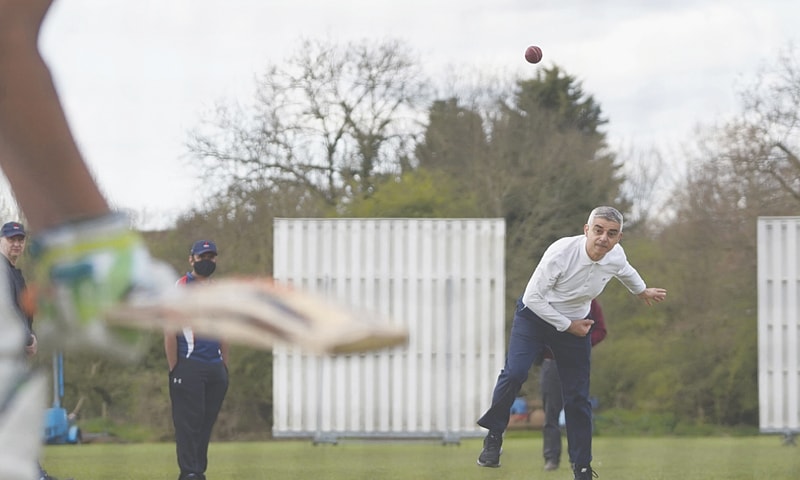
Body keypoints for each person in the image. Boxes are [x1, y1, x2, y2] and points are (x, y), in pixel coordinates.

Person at [476, 206, 667, 480]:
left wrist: (641, 290)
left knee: (578, 398)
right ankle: (494, 437)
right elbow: (533, 299)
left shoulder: (615, 255)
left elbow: (625, 270)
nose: (603, 238)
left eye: (611, 234)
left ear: (619, 237)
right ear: (586, 229)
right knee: (515, 372)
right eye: (598, 230)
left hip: (575, 325)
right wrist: (568, 325)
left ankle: (582, 469)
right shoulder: (560, 253)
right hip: (535, 317)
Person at [165, 240, 229, 480]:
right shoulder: (180, 288)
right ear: (191, 259)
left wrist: (224, 366)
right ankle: (189, 472)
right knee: (188, 424)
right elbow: (169, 332)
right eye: (202, 257)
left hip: (216, 369)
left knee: (205, 425)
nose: (207, 261)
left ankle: (198, 471)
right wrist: (175, 368)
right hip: (188, 366)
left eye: (211, 257)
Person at [540, 299, 606, 472]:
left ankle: (578, 459)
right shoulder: (546, 299)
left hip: (576, 361)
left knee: (577, 409)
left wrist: (581, 344)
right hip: (551, 362)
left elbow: (601, 330)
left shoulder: (590, 301)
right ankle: (551, 458)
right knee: (550, 413)